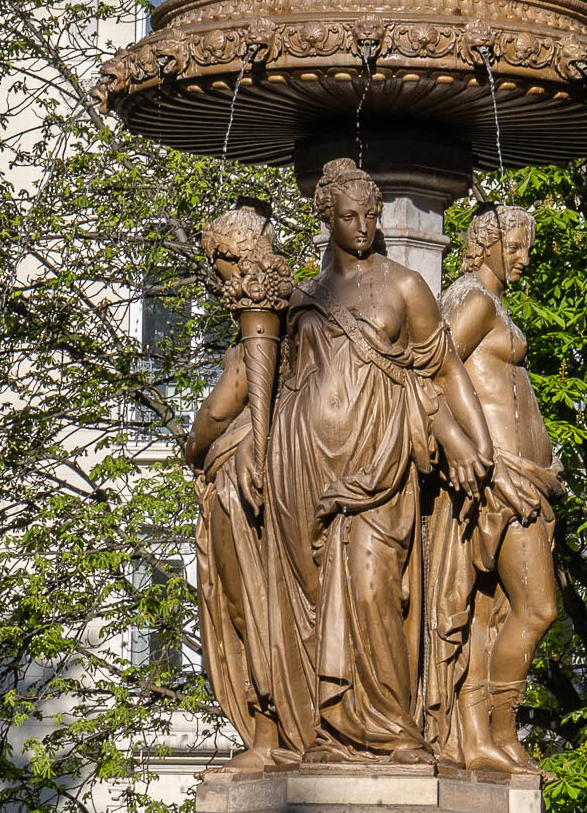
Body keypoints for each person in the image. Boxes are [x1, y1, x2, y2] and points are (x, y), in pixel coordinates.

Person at [266, 159, 492, 763]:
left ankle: (393, 729)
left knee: (373, 591)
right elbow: (283, 381)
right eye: (349, 216)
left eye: (371, 215)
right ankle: (326, 729)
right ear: (326, 219)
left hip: (380, 462)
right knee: (313, 606)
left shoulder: (404, 286)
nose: (363, 225)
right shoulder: (305, 298)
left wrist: (473, 441)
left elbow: (440, 372)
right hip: (306, 466)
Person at [429, 205, 562, 772]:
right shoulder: (473, 300)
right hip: (499, 482)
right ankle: (500, 733)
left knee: (492, 612)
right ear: (486, 244)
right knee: (538, 608)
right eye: (517, 246)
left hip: (519, 481)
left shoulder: (486, 302)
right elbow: (433, 372)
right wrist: (485, 459)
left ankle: (479, 736)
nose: (525, 258)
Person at [184, 201, 292, 771]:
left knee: (248, 603)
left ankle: (269, 735)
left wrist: (193, 445)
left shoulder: (260, 316)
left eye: (219, 270)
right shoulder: (297, 313)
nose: (222, 286)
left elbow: (222, 407)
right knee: (256, 602)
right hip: (257, 480)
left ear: (236, 255)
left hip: (238, 487)